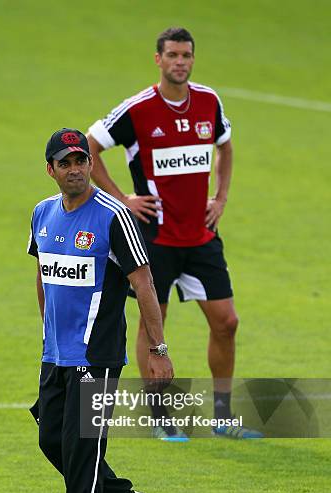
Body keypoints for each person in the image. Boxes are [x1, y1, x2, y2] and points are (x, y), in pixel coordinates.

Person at [87, 27, 262, 440]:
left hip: (200, 236)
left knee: (227, 322)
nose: (180, 62)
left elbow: (226, 145)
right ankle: (161, 416)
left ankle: (221, 417)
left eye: (186, 55)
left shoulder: (208, 101)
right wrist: (122, 200)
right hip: (155, 239)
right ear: (158, 60)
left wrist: (219, 198)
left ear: (192, 59)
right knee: (153, 322)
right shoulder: (138, 109)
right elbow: (89, 146)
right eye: (172, 55)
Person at [27, 128, 174, 493]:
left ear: (91, 164)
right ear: (50, 169)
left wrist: (159, 347)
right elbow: (44, 277)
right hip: (56, 354)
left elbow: (143, 282)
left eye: (81, 161)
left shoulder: (113, 216)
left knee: (83, 449)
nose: (75, 169)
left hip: (97, 357)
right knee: (53, 440)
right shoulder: (42, 214)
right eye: (65, 163)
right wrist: (49, 336)